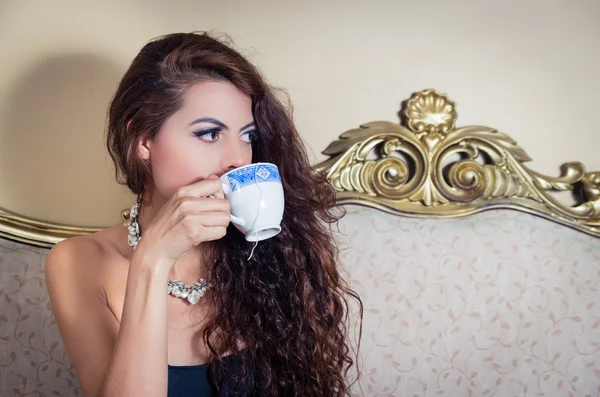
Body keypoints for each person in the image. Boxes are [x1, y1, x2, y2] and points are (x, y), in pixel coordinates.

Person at [44, 32, 362, 397]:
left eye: (248, 136)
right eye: (210, 134)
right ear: (143, 141)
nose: (239, 159)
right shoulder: (76, 262)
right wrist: (152, 258)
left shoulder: (276, 249)